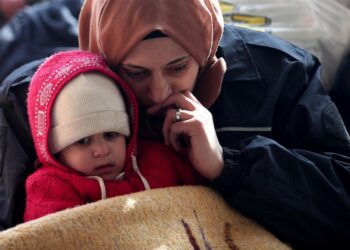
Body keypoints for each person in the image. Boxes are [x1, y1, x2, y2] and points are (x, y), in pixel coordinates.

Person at [78, 0, 350, 249]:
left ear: (205, 50)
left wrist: (229, 165)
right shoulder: (61, 93)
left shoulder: (281, 74)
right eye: (135, 73)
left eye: (177, 68)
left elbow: (342, 203)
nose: (159, 93)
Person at [24, 50, 204, 222]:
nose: (101, 150)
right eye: (82, 141)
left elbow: (206, 201)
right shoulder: (49, 187)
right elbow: (51, 237)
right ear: (55, 149)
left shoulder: (160, 160)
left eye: (111, 135)